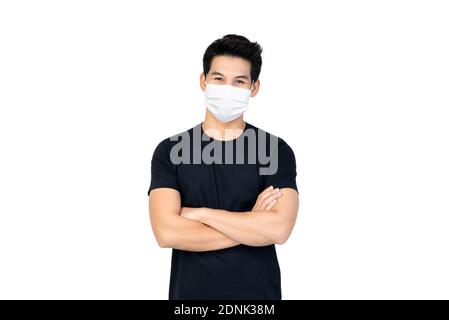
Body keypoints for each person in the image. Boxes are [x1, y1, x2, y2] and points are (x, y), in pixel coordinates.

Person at [147, 34, 300, 300]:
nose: (227, 88)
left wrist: (200, 213)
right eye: (218, 79)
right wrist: (252, 223)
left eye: (239, 81)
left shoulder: (275, 151)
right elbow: (167, 232)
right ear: (203, 81)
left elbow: (278, 230)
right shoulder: (170, 152)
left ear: (254, 87)